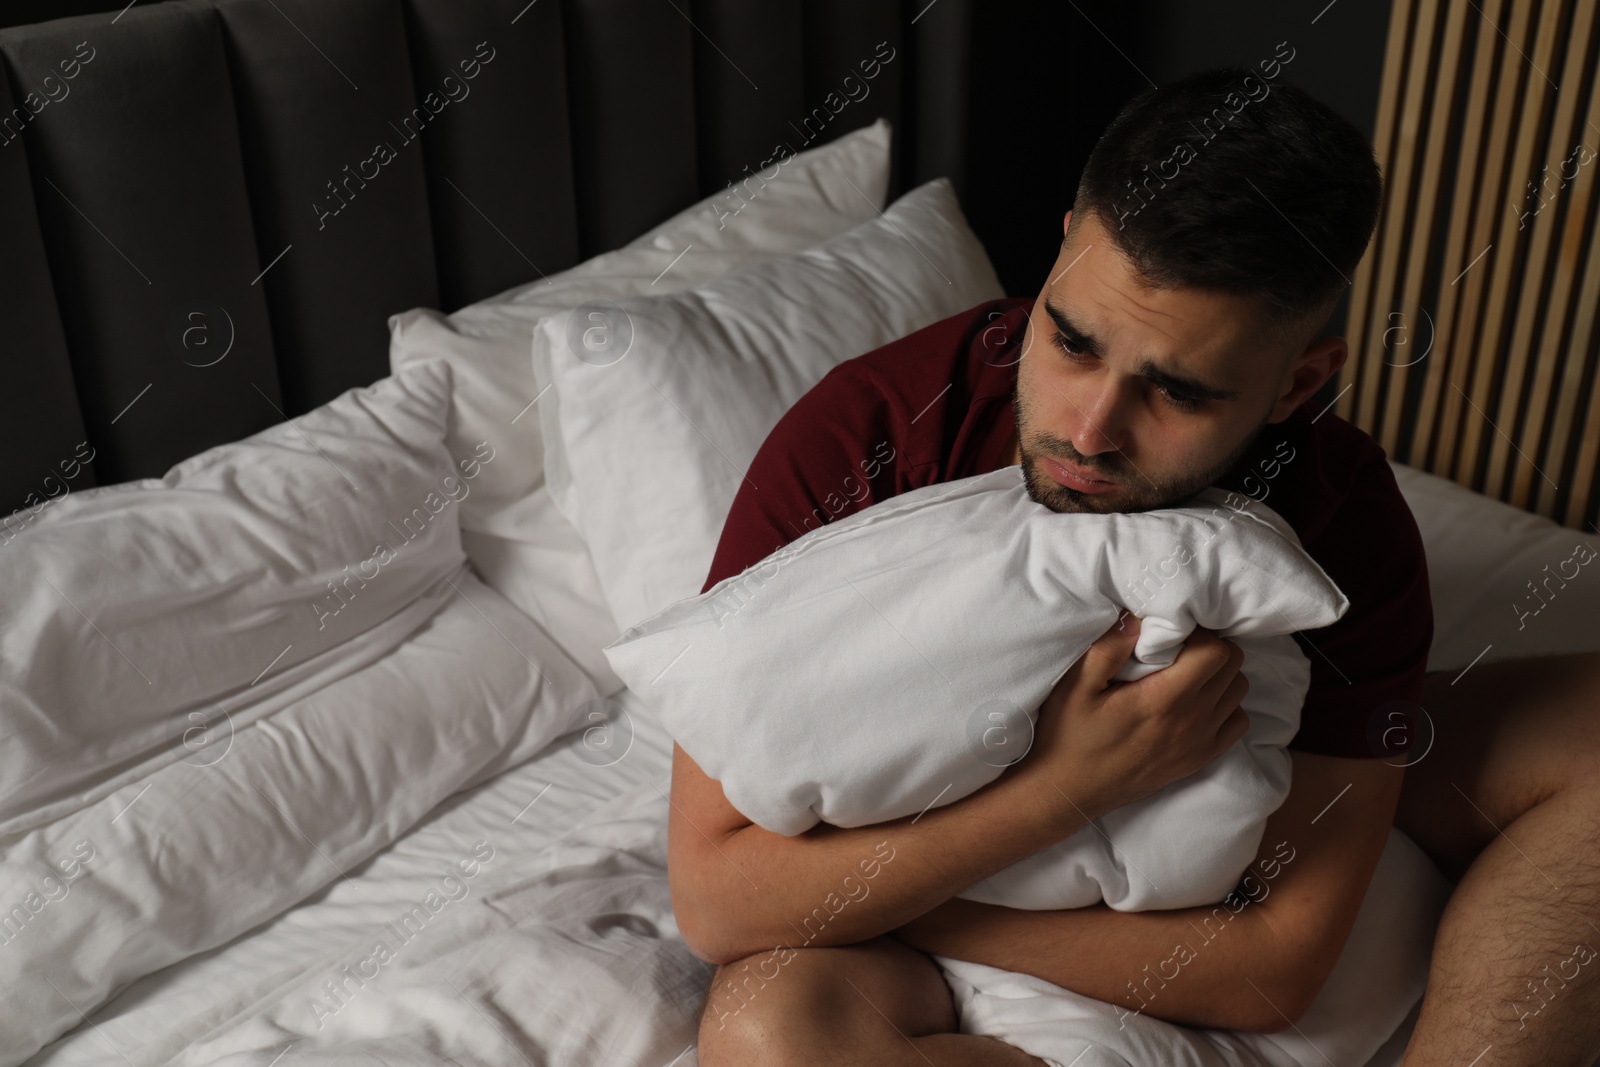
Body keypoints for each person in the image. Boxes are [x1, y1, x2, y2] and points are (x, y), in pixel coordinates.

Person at [674, 68, 1600, 1066]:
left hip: (1178, 808)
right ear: (1066, 239)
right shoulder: (872, 433)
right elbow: (716, 898)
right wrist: (1064, 787)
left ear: (1298, 380)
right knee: (768, 1036)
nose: (1087, 428)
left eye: (1177, 391)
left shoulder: (1341, 517)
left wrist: (916, 900)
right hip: (900, 887)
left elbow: (1270, 969)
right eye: (1071, 339)